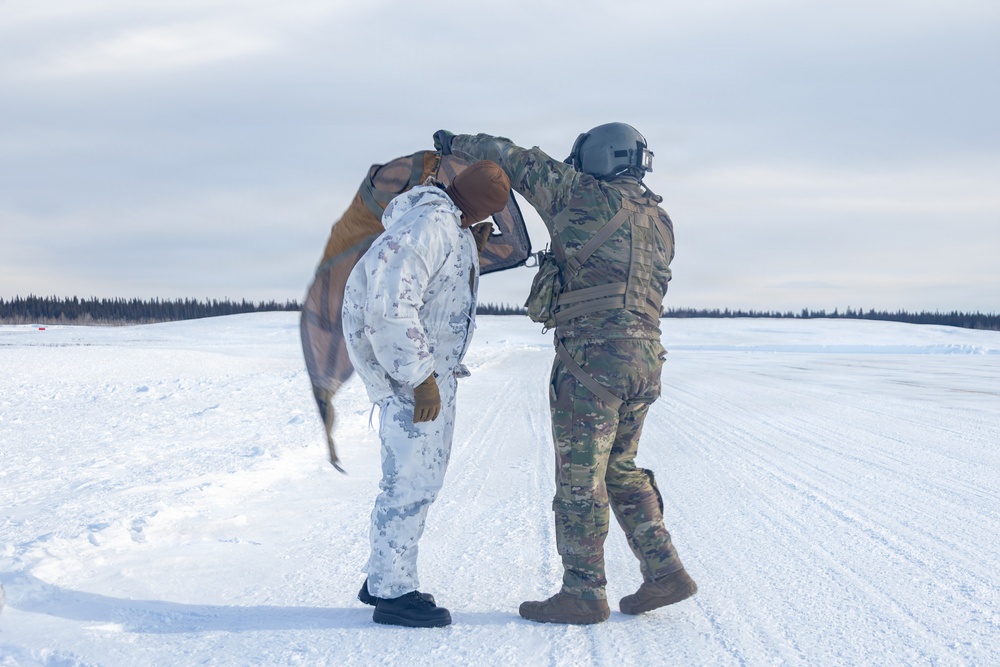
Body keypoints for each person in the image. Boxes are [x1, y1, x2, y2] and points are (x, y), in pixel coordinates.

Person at [434, 124, 697, 624]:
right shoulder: (660, 219)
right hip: (645, 361)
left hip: (592, 361)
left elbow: (510, 157)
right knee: (620, 467)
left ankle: (583, 593)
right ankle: (665, 572)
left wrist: (457, 144)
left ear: (593, 158)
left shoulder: (577, 195)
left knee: (581, 480)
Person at [341, 160, 511, 628]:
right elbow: (390, 303)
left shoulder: (444, 224)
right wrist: (421, 378)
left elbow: (430, 286)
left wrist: (466, 248)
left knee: (416, 479)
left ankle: (382, 578)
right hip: (411, 377)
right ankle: (394, 594)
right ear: (478, 208)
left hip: (420, 372)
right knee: (411, 482)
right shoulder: (430, 225)